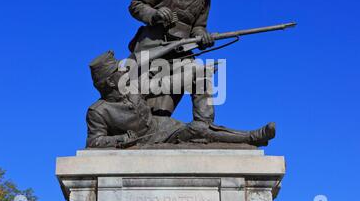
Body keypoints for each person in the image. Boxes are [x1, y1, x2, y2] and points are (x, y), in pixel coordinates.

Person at [86, 51, 275, 149]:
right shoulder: (98, 111)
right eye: (119, 71)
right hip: (144, 141)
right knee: (198, 130)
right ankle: (249, 138)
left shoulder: (134, 86)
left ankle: (251, 137)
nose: (124, 71)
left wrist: (198, 73)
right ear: (110, 81)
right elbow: (94, 142)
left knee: (199, 128)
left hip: (163, 128)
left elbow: (167, 84)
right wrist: (121, 138)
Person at [127, 0, 228, 123]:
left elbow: (197, 26)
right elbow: (136, 5)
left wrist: (203, 35)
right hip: (152, 50)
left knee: (201, 74)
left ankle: (204, 127)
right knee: (139, 109)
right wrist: (155, 14)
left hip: (181, 54)